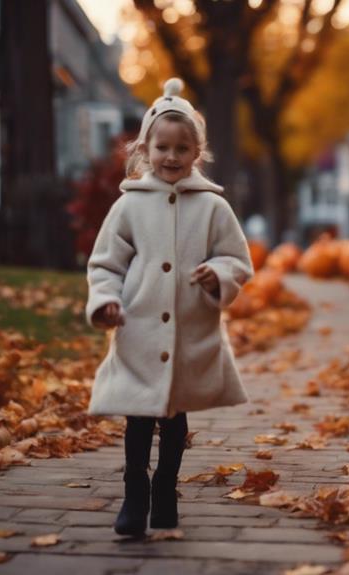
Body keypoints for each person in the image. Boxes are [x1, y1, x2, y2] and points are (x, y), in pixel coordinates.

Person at [85, 78, 253, 536]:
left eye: (182, 148)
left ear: (197, 152)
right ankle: (135, 492)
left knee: (174, 417)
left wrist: (217, 274)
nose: (172, 157)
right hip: (138, 328)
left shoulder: (213, 208)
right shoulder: (129, 206)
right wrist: (106, 302)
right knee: (139, 417)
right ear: (145, 149)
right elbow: (106, 263)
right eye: (163, 147)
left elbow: (237, 259)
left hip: (189, 331)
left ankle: (165, 487)